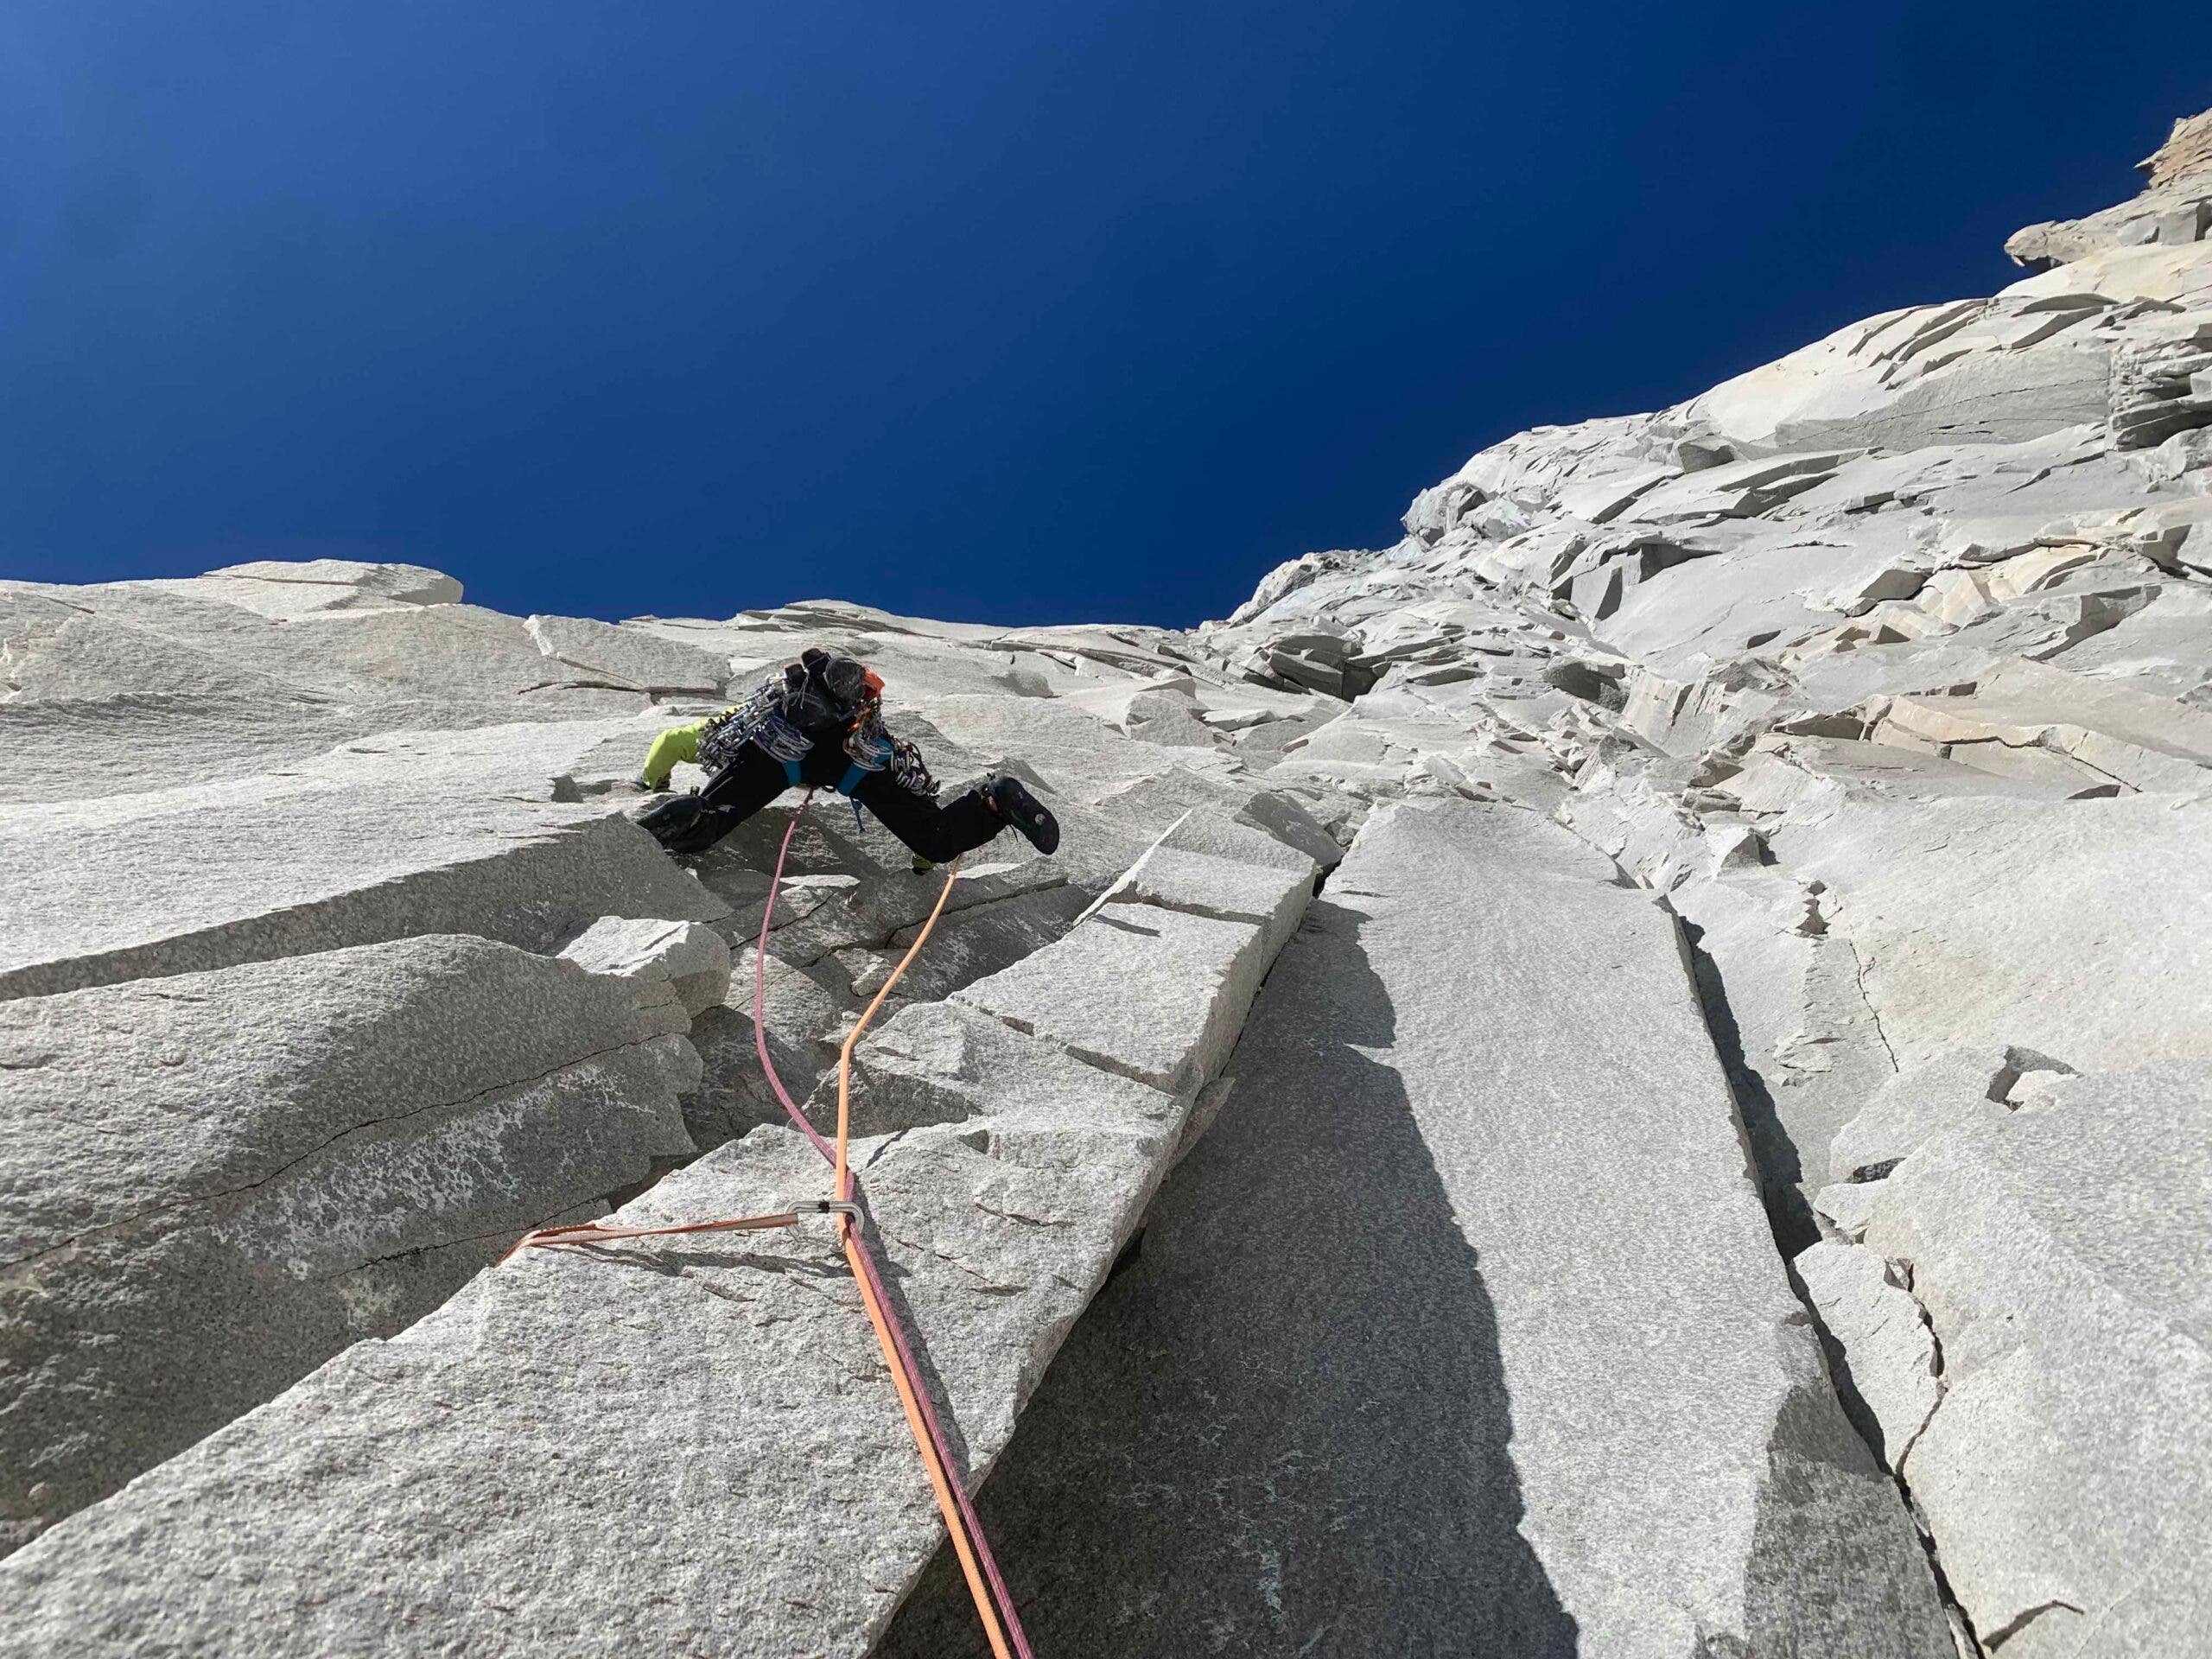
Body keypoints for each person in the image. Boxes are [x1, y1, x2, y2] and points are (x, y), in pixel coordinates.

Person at [634, 647, 1059, 863]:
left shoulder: (761, 713)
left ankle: (687, 815)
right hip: (853, 763)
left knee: (710, 823)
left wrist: (652, 782)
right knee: (939, 838)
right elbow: (915, 795)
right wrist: (927, 854)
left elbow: (670, 742)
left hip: (772, 754)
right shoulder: (868, 732)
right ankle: (994, 799)